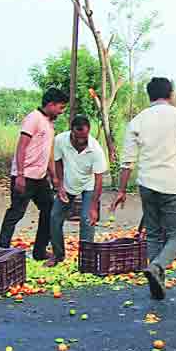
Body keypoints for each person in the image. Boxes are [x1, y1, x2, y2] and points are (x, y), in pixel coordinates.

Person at [112, 78, 176, 300]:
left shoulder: (137, 121)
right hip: (172, 185)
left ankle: (157, 283)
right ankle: (157, 267)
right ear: (171, 94)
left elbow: (127, 162)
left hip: (146, 184)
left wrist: (121, 191)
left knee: (154, 235)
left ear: (149, 95)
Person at [0, 88, 68, 260]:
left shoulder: (50, 123)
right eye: (60, 107)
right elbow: (21, 147)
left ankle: (39, 251)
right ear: (51, 104)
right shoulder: (33, 118)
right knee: (16, 212)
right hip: (25, 176)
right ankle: (2, 250)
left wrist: (54, 177)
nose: (62, 111)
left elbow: (48, 154)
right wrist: (20, 175)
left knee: (49, 210)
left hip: (40, 178)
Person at [45, 114, 107, 267]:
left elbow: (99, 180)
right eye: (77, 137)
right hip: (68, 183)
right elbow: (58, 162)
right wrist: (59, 186)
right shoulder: (60, 140)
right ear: (71, 131)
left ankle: (87, 259)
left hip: (89, 185)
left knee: (87, 220)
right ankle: (58, 255)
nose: (81, 141)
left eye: (84, 137)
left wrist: (93, 207)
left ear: (89, 132)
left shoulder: (96, 150)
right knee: (54, 217)